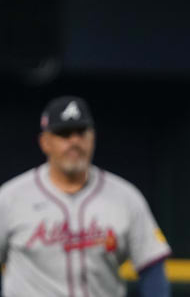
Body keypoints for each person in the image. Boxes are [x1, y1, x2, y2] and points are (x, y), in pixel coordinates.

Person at [0, 96, 172, 297]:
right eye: (63, 134)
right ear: (45, 142)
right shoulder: (11, 198)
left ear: (93, 138)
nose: (74, 141)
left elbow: (152, 268)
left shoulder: (125, 197)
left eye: (81, 132)